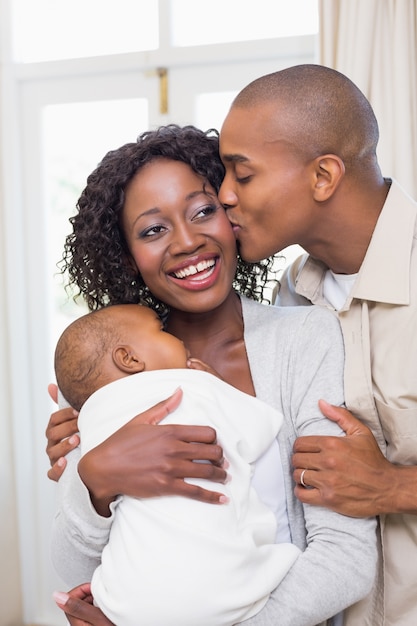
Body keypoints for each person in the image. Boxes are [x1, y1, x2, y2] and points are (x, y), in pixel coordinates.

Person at [47, 124, 377, 626]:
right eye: (153, 229)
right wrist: (93, 479)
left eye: (204, 211)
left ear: (233, 216)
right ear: (127, 254)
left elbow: (346, 558)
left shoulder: (303, 338)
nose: (187, 241)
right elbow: (75, 575)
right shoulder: (111, 379)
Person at [218, 63, 417, 626]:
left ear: (323, 176)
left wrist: (394, 486)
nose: (225, 195)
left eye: (243, 174)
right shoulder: (289, 300)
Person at [54, 302, 300, 626]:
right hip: (229, 590)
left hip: (127, 603)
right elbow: (260, 431)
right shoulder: (189, 387)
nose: (177, 339)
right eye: (162, 330)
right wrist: (218, 388)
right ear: (129, 359)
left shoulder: (87, 419)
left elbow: (76, 563)